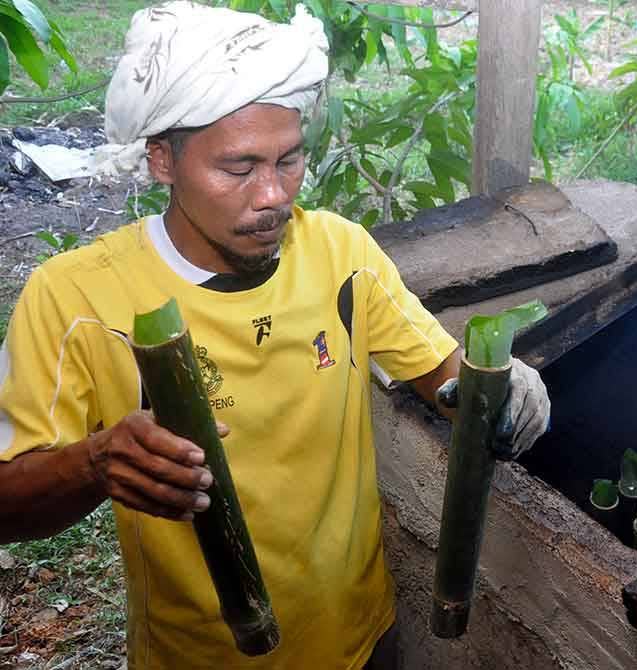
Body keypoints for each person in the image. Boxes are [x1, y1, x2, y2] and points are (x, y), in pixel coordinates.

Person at [0, 3, 550, 669]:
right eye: (238, 168)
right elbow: (9, 503)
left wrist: (501, 390)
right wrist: (97, 462)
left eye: (289, 160)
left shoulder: (340, 254)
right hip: (202, 656)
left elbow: (443, 379)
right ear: (162, 161)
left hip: (361, 635)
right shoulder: (78, 297)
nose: (272, 196)